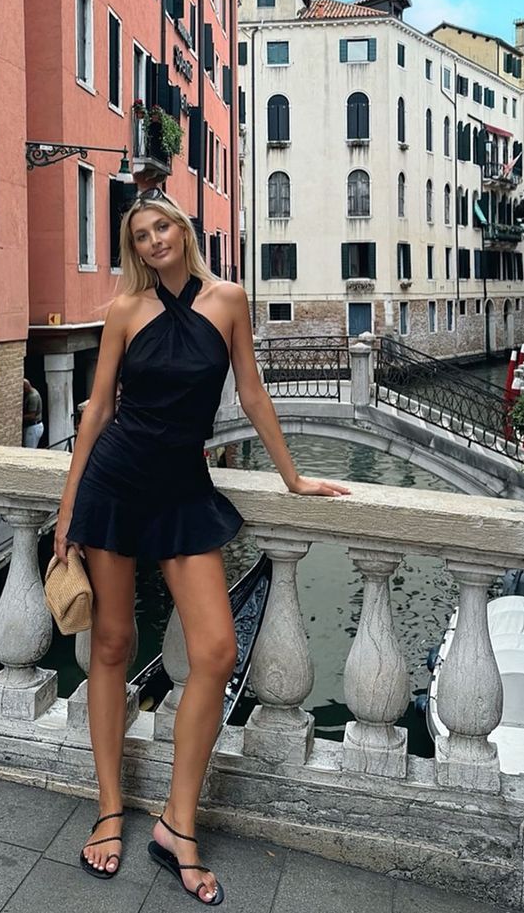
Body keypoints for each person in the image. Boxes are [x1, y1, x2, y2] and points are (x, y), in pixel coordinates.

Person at [54, 188, 350, 904]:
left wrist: (294, 477)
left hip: (184, 488)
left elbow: (251, 393)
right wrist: (67, 511)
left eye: (163, 226)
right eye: (141, 234)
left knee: (216, 650)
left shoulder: (229, 301)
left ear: (183, 231)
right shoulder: (125, 310)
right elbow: (98, 409)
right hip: (116, 481)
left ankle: (176, 824)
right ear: (134, 249)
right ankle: (108, 808)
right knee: (112, 644)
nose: (154, 239)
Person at [22, 378, 44, 449]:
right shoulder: (31, 392)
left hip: (33, 427)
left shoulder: (33, 397)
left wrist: (20, 417)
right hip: (32, 426)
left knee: (29, 450)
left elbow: (32, 415)